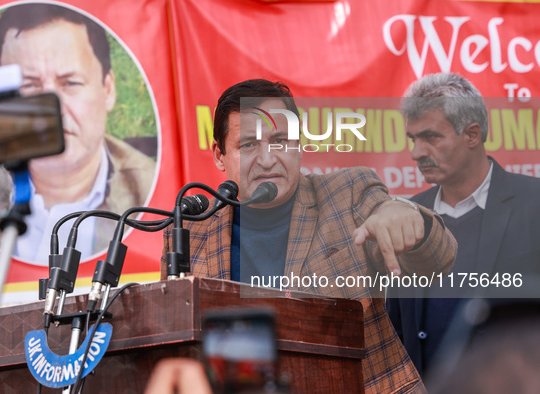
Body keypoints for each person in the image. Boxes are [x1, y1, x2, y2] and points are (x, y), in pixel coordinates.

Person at [160, 79, 457, 393]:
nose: (267, 159)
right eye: (248, 144)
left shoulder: (349, 192)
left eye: (280, 141)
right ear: (220, 155)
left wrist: (411, 222)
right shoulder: (191, 228)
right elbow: (175, 339)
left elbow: (437, 260)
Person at [386, 72, 540, 378]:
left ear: (472, 134)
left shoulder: (533, 204)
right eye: (413, 139)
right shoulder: (407, 215)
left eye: (431, 137)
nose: (417, 153)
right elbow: (396, 330)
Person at [0, 4, 156, 262]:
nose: (55, 111)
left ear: (107, 89)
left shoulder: (152, 197)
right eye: (30, 86)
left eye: (71, 83)